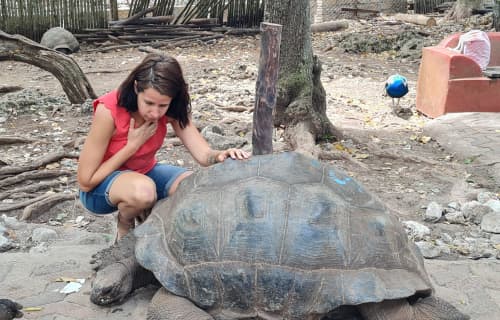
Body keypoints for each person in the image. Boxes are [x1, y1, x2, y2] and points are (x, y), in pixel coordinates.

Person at [77, 53, 250, 241]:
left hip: (145, 174)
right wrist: (131, 146)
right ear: (136, 88)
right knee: (143, 192)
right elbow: (86, 181)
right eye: (149, 103)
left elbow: (204, 154)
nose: (155, 113)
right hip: (100, 190)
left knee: (194, 187)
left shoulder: (173, 109)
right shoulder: (109, 110)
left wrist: (221, 155)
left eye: (162, 105)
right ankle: (125, 222)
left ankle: (155, 226)